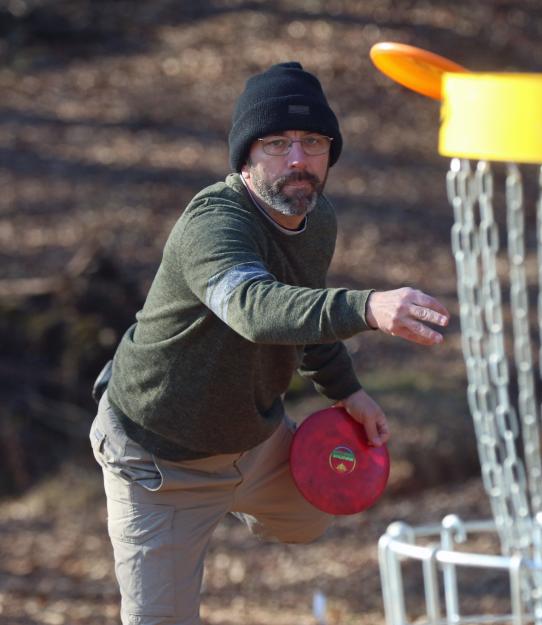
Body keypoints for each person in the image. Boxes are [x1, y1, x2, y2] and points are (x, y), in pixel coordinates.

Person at [89, 61, 450, 625]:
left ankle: (236, 498)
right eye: (277, 144)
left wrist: (346, 390)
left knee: (314, 514)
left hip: (253, 444)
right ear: (246, 158)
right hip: (160, 463)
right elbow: (255, 310)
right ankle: (201, 514)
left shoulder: (315, 217)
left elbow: (303, 309)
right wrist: (368, 307)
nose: (298, 160)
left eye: (313, 142)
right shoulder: (213, 225)